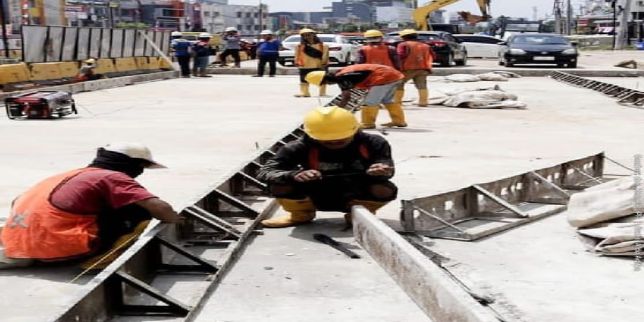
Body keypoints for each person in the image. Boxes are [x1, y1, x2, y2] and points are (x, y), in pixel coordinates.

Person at [0, 143, 182, 269]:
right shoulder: (112, 177)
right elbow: (160, 208)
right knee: (138, 211)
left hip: (16, 243)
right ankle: (101, 260)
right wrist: (176, 220)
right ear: (133, 164)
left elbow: (18, 201)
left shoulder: (72, 174)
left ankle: (32, 253)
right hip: (56, 245)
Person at [257, 106, 397, 228]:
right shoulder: (298, 147)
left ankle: (360, 215)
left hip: (356, 191)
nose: (335, 143)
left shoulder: (374, 143)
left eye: (341, 139)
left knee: (384, 189)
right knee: (278, 185)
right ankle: (300, 215)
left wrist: (381, 171)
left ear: (354, 130)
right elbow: (265, 172)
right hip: (315, 192)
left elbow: (388, 169)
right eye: (328, 141)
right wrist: (293, 175)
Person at [305, 64, 407, 129]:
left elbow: (346, 97)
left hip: (383, 77)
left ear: (325, 80)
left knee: (370, 102)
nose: (327, 85)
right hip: (393, 75)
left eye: (325, 83)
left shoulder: (342, 77)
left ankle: (367, 124)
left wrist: (336, 111)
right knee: (387, 100)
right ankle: (399, 121)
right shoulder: (341, 74)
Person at [396, 29, 433, 107]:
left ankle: (397, 102)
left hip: (407, 68)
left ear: (404, 37)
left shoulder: (403, 45)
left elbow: (400, 56)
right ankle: (423, 102)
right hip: (423, 68)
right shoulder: (425, 45)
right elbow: (433, 55)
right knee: (422, 85)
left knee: (399, 85)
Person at [294, 28, 329, 98]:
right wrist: (296, 62)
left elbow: (325, 55)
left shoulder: (323, 46)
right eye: (304, 35)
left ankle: (322, 92)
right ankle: (304, 92)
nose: (307, 37)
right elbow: (297, 55)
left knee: (322, 79)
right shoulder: (299, 46)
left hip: (317, 65)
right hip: (304, 65)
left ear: (313, 35)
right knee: (303, 80)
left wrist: (324, 63)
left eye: (309, 35)